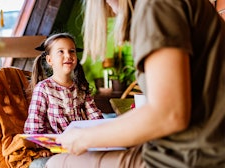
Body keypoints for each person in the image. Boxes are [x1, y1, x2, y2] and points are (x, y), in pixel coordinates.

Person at [45, 0, 225, 168]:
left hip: (193, 156)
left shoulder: (154, 6)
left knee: (55, 163)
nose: (110, 10)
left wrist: (84, 138)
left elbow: (169, 114)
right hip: (200, 146)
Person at [24, 33, 104, 168]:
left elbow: (95, 117)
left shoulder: (81, 87)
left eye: (71, 51)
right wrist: (42, 148)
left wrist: (103, 132)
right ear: (50, 60)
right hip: (56, 150)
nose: (68, 55)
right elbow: (34, 127)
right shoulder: (43, 89)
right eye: (61, 51)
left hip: (81, 145)